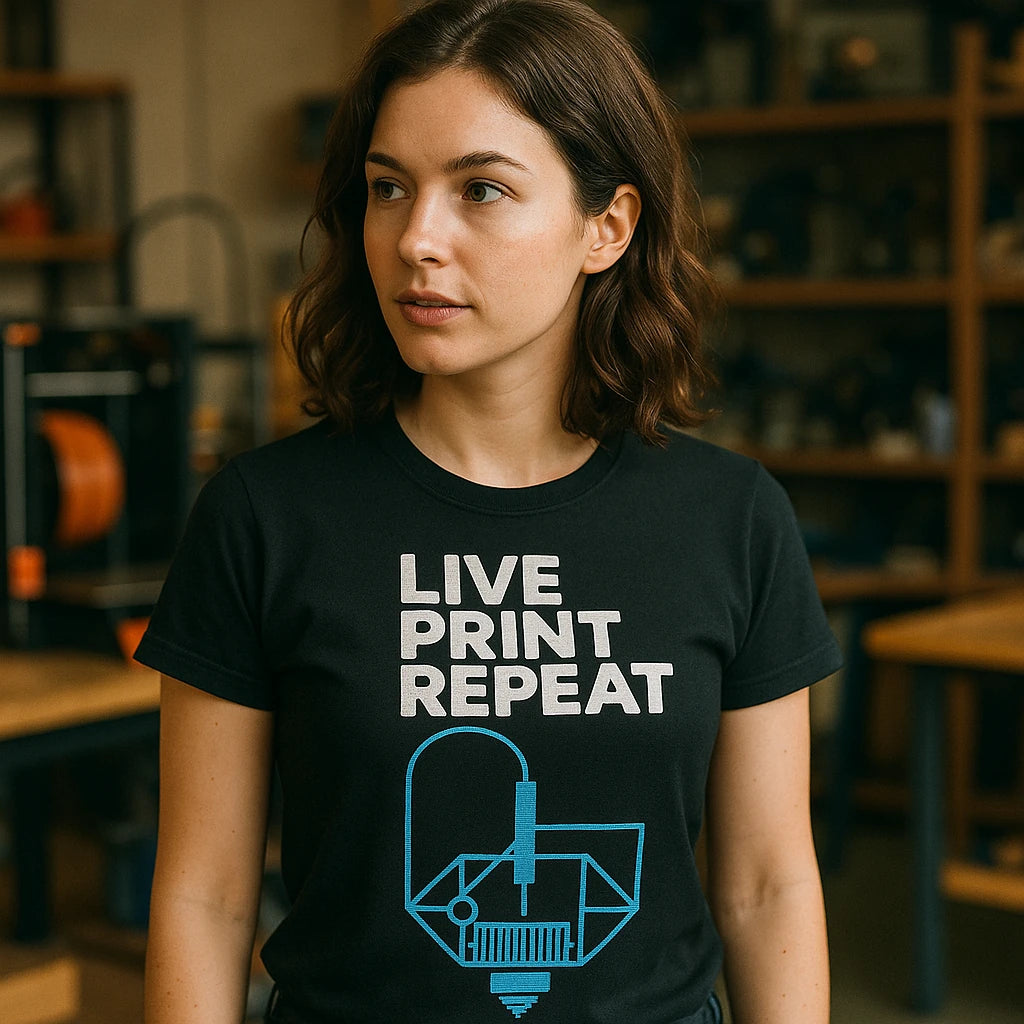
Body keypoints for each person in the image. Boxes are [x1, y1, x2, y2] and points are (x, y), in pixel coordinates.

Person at [136, 1, 841, 1022]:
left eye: (482, 190)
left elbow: (767, 882)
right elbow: (204, 898)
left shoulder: (728, 519)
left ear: (607, 226)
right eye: (387, 188)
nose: (417, 238)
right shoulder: (264, 516)